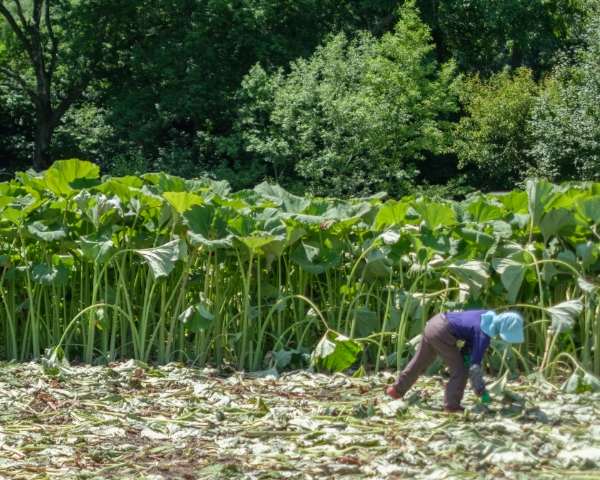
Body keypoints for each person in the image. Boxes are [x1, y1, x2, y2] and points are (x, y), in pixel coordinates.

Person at [385, 310, 524, 413]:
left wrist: (466, 355)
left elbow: (469, 336)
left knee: (421, 361)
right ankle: (452, 407)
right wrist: (481, 392)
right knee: (460, 370)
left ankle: (396, 390)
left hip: (435, 322)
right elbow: (474, 368)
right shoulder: (483, 335)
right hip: (442, 332)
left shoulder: (487, 316)